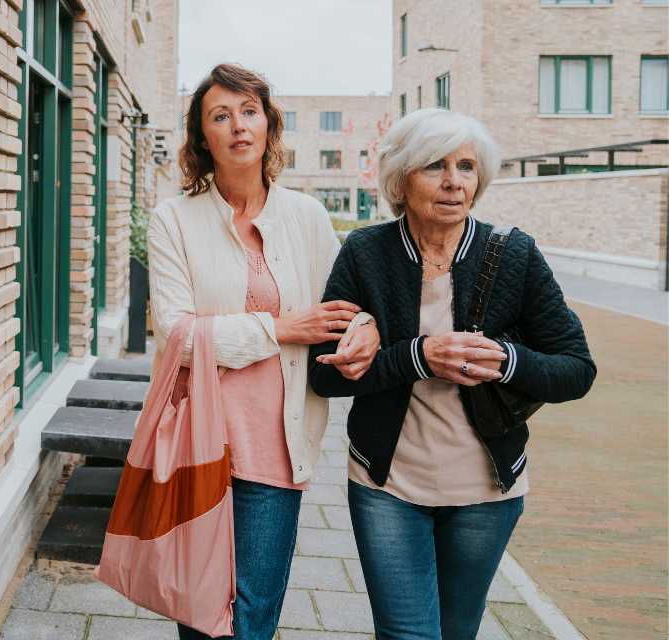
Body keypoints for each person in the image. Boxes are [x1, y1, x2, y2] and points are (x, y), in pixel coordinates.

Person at [308, 108, 596, 640]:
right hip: (386, 484)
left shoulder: (514, 255)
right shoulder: (366, 253)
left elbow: (577, 369)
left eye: (466, 167)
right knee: (408, 634)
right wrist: (418, 356)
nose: (453, 181)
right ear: (401, 178)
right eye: (434, 166)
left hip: (487, 491)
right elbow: (325, 376)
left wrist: (509, 361)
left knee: (457, 632)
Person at [148, 63, 380, 640]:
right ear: (203, 136)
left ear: (269, 125)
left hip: (277, 448)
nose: (237, 126)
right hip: (196, 445)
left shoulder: (305, 216)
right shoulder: (173, 219)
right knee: (201, 615)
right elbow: (177, 336)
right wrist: (279, 328)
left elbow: (341, 308)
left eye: (249, 112)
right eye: (220, 116)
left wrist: (366, 329)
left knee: (252, 618)